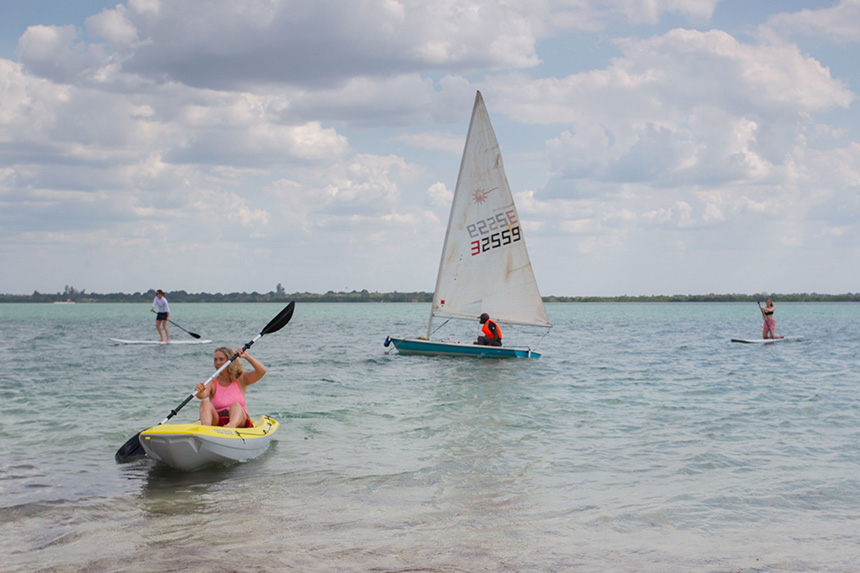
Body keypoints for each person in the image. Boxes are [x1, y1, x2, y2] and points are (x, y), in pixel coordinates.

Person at [195, 346, 267, 428]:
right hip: (219, 422)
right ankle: (205, 428)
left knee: (236, 405)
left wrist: (247, 357)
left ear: (230, 361)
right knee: (204, 403)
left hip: (240, 422)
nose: (217, 363)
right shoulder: (212, 382)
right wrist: (199, 391)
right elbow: (202, 395)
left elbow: (262, 371)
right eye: (215, 360)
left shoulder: (241, 378)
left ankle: (231, 425)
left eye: (221, 359)